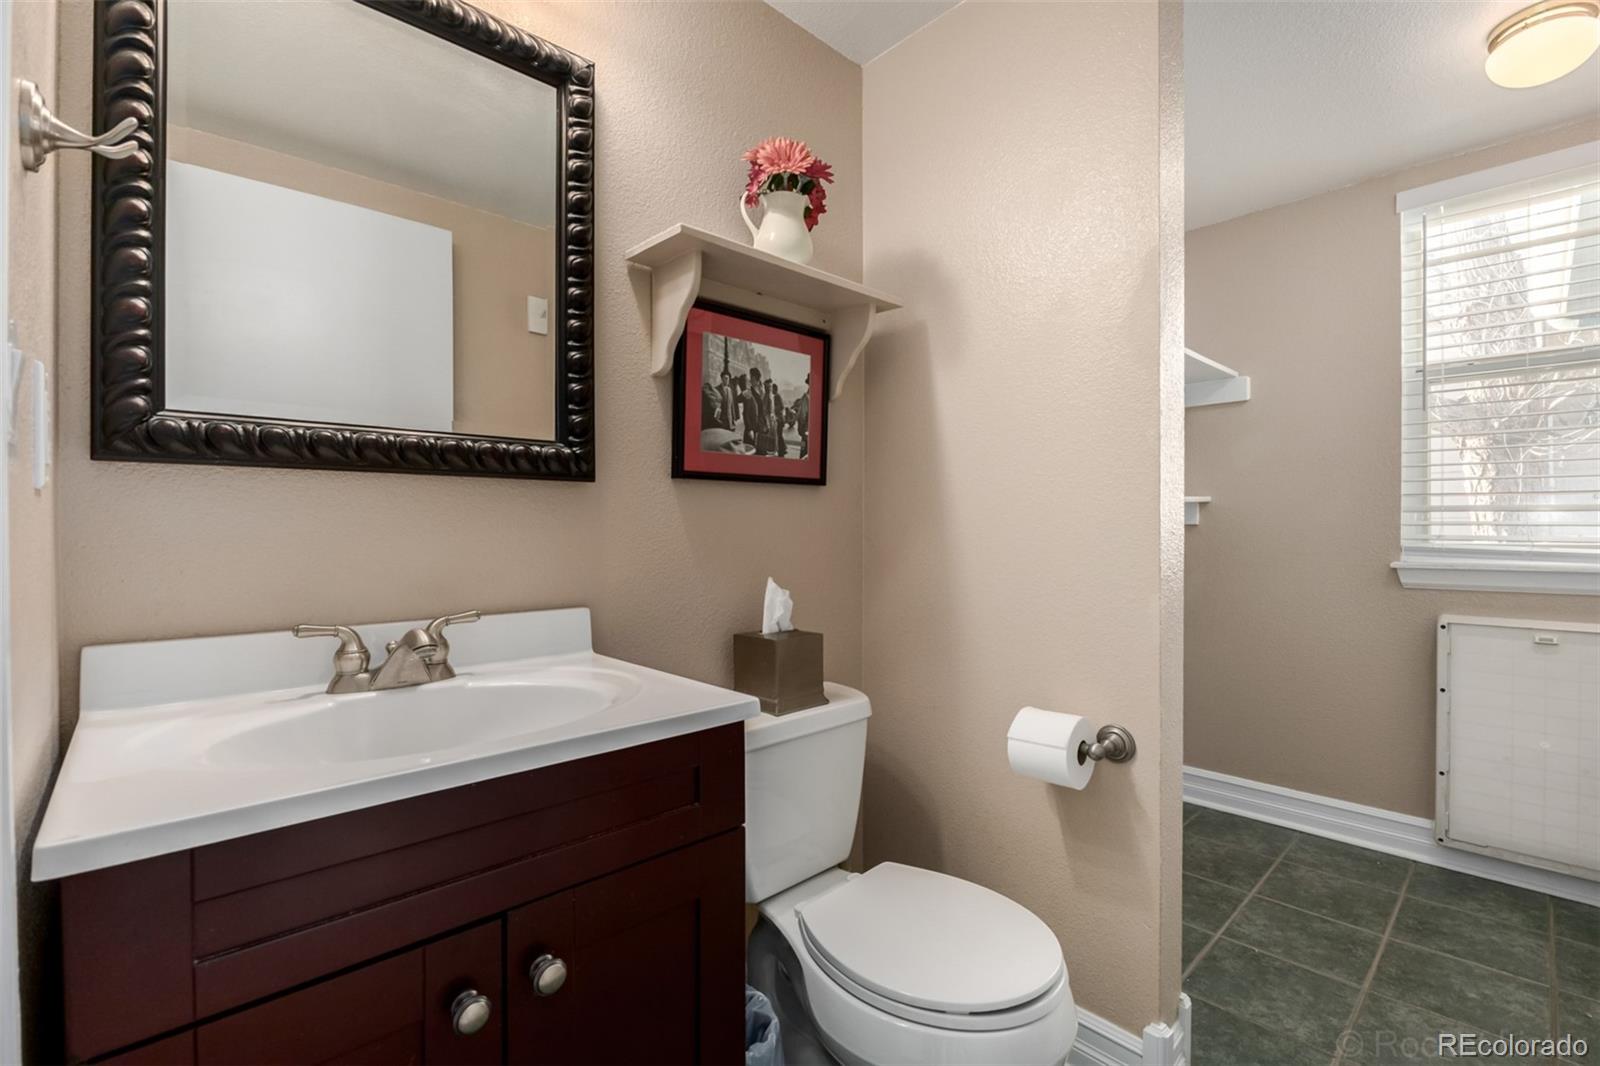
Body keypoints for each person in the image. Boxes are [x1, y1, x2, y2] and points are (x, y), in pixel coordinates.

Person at [742, 369, 767, 454]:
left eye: (752, 378)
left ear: (756, 380)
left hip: (759, 426)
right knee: (750, 451)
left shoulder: (761, 392)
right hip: (751, 427)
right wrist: (749, 429)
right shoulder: (748, 392)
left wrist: (765, 424)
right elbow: (745, 413)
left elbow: (762, 410)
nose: (750, 380)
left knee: (759, 452)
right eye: (751, 378)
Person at [796, 374, 810, 459]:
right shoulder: (819, 396)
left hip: (805, 434)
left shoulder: (806, 398)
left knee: (803, 453)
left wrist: (800, 431)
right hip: (815, 434)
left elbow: (802, 417)